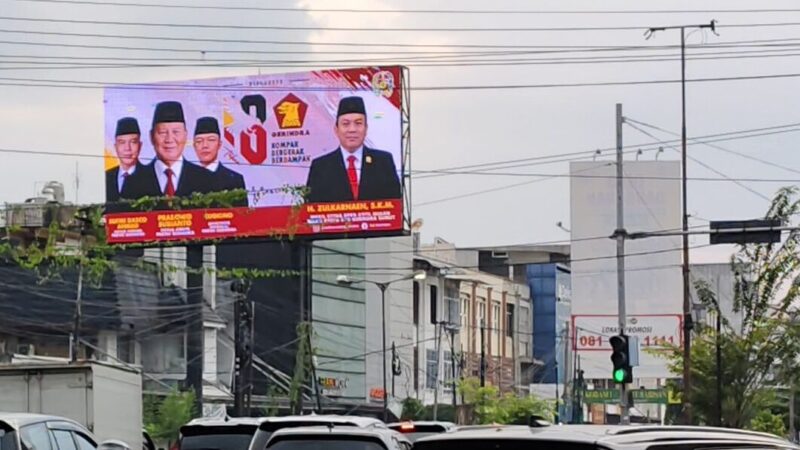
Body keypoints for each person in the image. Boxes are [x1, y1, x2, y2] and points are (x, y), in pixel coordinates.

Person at [305, 96, 401, 203]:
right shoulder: (320, 167)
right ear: (336, 130)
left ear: (366, 128)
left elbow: (396, 205)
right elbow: (310, 208)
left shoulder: (383, 162)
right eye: (346, 124)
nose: (352, 129)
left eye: (358, 123)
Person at [121, 101, 213, 199]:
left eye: (176, 132)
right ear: (151, 137)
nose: (169, 139)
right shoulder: (133, 181)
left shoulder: (206, 179)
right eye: (162, 132)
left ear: (185, 135)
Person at [192, 116, 246, 193]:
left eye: (211, 140)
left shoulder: (234, 180)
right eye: (199, 141)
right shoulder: (185, 179)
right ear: (194, 146)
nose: (205, 145)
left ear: (219, 144)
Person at [105, 117, 143, 203]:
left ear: (140, 145)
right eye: (122, 142)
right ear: (115, 147)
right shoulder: (107, 177)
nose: (127, 148)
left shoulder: (151, 176)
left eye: (133, 142)